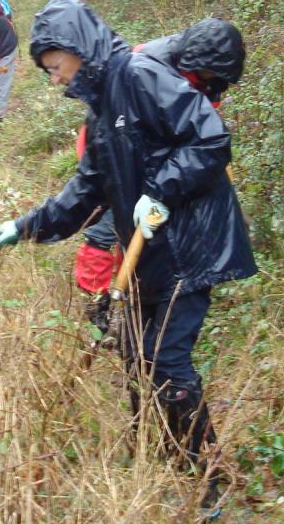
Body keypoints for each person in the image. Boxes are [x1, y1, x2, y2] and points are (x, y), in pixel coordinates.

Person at [0, 0, 256, 517]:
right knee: (135, 350)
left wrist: (161, 189)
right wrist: (26, 226)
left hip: (189, 243)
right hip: (154, 249)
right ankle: (165, 452)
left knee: (164, 358)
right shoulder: (102, 102)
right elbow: (88, 188)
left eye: (54, 67)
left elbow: (209, 139)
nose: (52, 79)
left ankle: (210, 480)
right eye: (47, 72)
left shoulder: (136, 74)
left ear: (76, 48)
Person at [74, 18, 247, 340]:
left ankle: (139, 296)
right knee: (103, 230)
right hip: (113, 154)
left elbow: (204, 134)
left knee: (150, 230)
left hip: (158, 162)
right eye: (209, 77)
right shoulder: (144, 70)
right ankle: (97, 303)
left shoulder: (204, 75)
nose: (213, 83)